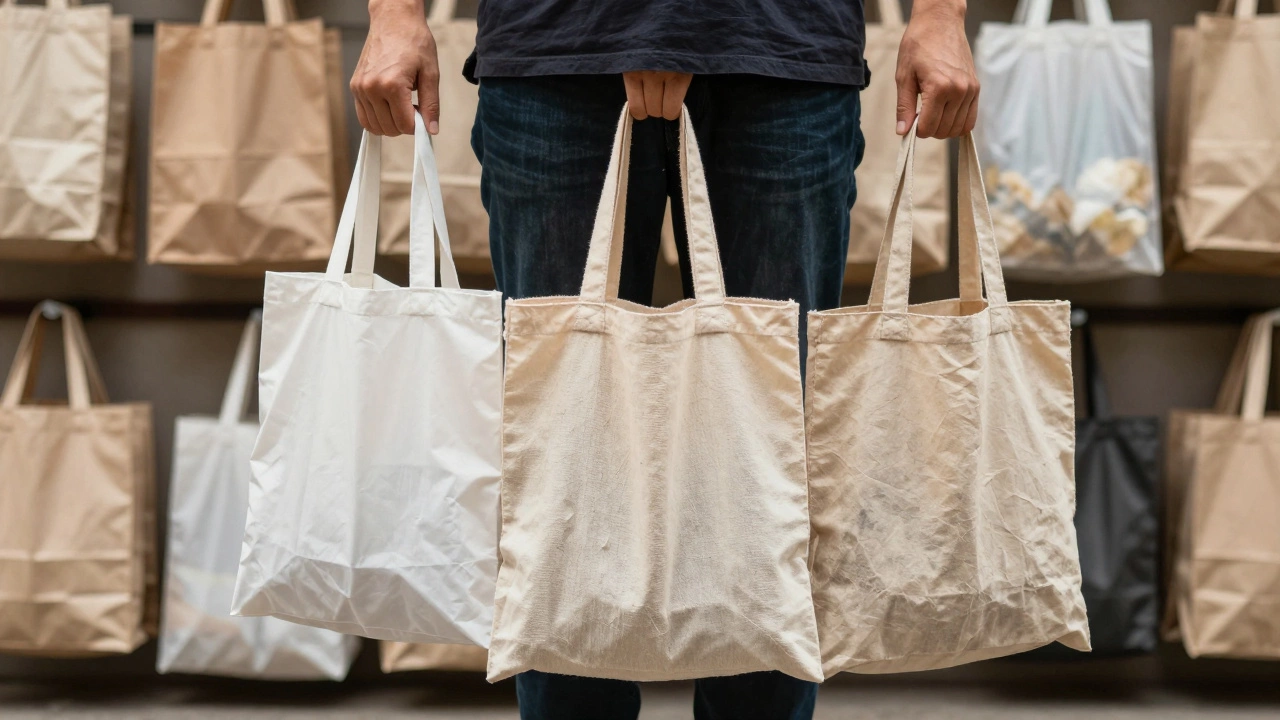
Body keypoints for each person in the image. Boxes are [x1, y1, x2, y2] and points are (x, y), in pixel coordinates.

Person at [351, 0, 977, 717]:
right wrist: (395, 12)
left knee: (766, 462)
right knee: (562, 458)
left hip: (778, 49)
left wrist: (938, 12)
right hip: (562, 48)